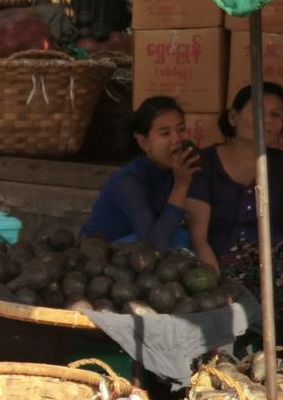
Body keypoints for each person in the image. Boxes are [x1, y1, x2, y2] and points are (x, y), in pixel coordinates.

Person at [185, 83, 283, 293]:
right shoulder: (205, 163)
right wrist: (218, 289)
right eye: (257, 110)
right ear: (233, 117)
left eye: (276, 115)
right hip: (219, 270)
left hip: (274, 273)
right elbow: (198, 237)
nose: (267, 120)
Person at [79, 96, 200, 249]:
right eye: (165, 133)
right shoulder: (128, 181)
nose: (177, 139)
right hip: (103, 258)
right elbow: (154, 245)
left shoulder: (177, 169)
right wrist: (181, 186)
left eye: (181, 129)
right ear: (144, 142)